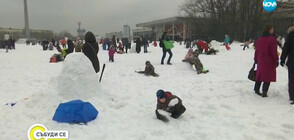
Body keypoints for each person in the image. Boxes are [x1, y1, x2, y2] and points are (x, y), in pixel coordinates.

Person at [254, 24, 279, 97]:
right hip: (269, 61)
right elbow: (273, 51)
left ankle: (256, 88)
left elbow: (257, 51)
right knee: (268, 76)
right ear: (270, 30)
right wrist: (276, 60)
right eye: (272, 29)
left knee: (259, 75)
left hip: (260, 60)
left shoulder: (259, 39)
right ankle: (264, 91)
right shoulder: (272, 39)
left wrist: (256, 59)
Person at [281, 26, 294, 105]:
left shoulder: (290, 36)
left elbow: (286, 48)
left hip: (292, 61)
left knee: (292, 79)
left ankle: (292, 97)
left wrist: (282, 59)